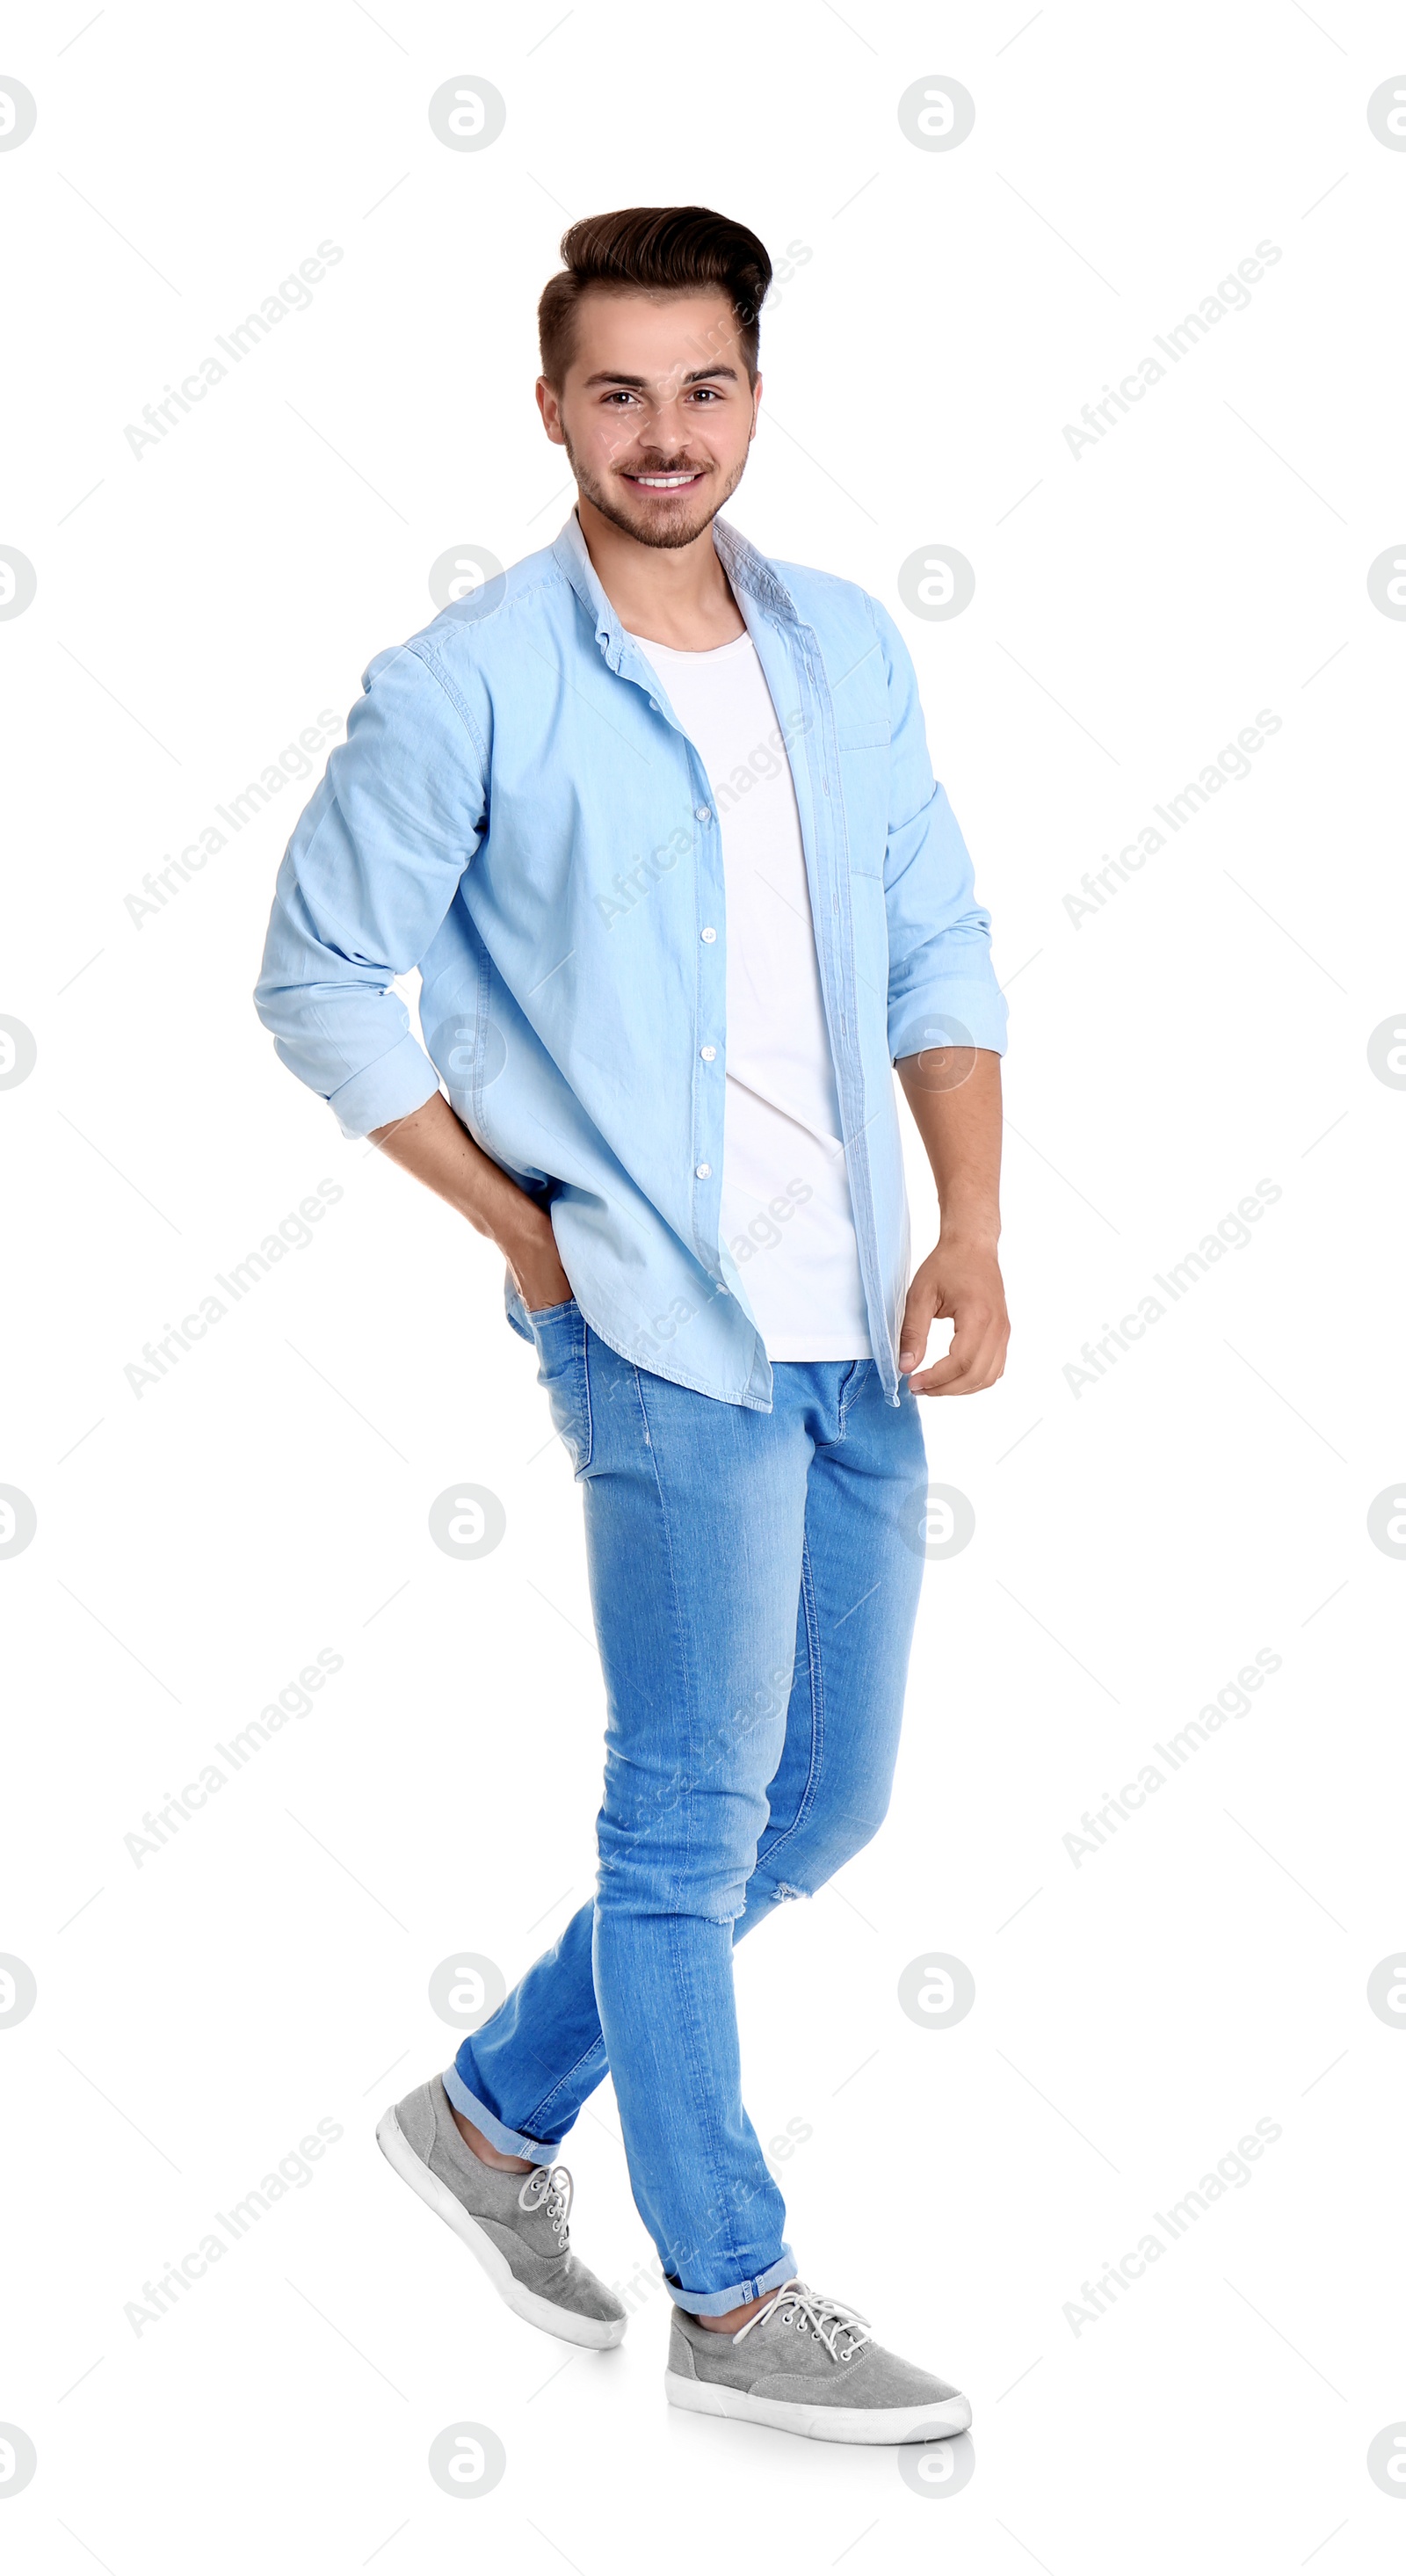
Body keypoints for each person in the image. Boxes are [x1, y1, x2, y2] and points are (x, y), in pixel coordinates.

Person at [254, 204, 1009, 2446]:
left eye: (703, 387)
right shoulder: (467, 679)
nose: (663, 434)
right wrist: (528, 1232)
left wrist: (967, 1219)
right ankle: (736, 2289)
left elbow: (934, 938)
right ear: (550, 406)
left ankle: (488, 2117)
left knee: (820, 1805)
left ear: (754, 395)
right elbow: (316, 978)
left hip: (853, 1324)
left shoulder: (845, 647)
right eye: (618, 391)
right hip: (658, 1328)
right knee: (684, 1820)